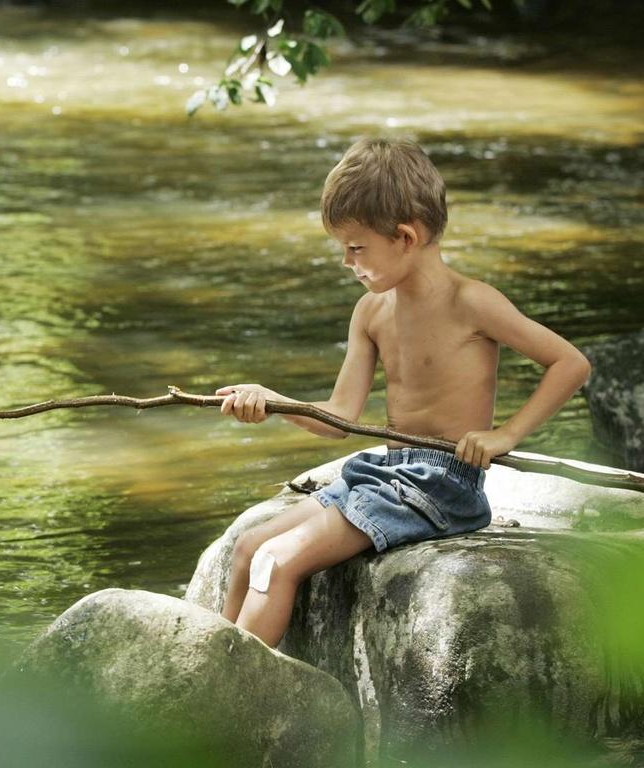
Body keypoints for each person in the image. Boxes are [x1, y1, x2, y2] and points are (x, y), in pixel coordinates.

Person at [213, 137, 592, 649]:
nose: (347, 263)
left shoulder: (472, 303)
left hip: (440, 484)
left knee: (277, 562)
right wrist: (272, 402)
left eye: (355, 247)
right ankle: (206, 671)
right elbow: (338, 417)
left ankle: (235, 699)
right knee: (250, 547)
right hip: (386, 476)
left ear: (405, 237)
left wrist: (505, 434)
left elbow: (571, 363)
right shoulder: (372, 312)